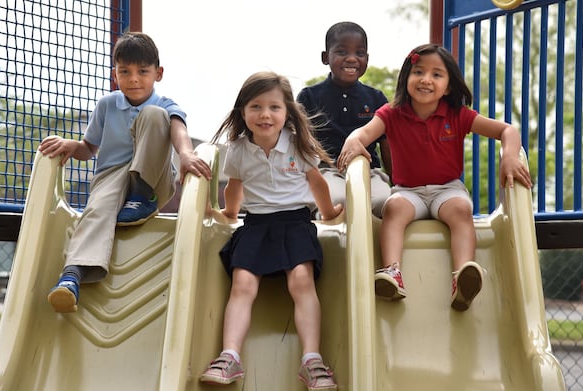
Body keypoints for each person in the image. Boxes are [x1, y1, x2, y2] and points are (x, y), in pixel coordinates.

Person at [337, 44, 532, 311]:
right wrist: (352, 141)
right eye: (418, 71)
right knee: (393, 210)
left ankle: (463, 275)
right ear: (406, 78)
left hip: (447, 189)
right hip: (408, 191)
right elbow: (362, 133)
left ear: (449, 86)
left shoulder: (457, 116)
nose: (426, 79)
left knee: (461, 210)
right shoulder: (391, 114)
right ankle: (392, 272)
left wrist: (509, 156)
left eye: (437, 74)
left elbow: (507, 130)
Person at [39, 32, 212, 313]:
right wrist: (71, 145)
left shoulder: (165, 104)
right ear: (115, 74)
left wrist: (186, 153)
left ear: (158, 73)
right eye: (125, 71)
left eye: (143, 71)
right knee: (96, 210)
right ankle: (72, 276)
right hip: (111, 178)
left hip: (153, 180)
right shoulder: (107, 105)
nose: (133, 79)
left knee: (155, 115)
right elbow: (88, 148)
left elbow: (179, 130)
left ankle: (141, 197)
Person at [200, 71, 342, 390]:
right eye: (256, 106)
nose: (265, 114)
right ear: (243, 112)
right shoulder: (235, 149)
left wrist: (330, 212)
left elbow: (316, 182)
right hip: (257, 224)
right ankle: (229, 356)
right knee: (243, 284)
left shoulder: (298, 143)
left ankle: (312, 360)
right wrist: (230, 213)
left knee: (302, 280)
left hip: (295, 223)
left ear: (287, 112)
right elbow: (234, 187)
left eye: (274, 107)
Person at [297, 21, 391, 218]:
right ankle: (334, 243)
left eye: (359, 53)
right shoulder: (309, 97)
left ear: (367, 58)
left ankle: (376, 246)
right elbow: (298, 142)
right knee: (336, 200)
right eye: (341, 52)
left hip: (368, 170)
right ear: (325, 57)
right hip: (328, 170)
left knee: (384, 202)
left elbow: (387, 144)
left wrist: (397, 181)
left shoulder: (376, 98)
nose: (351, 59)